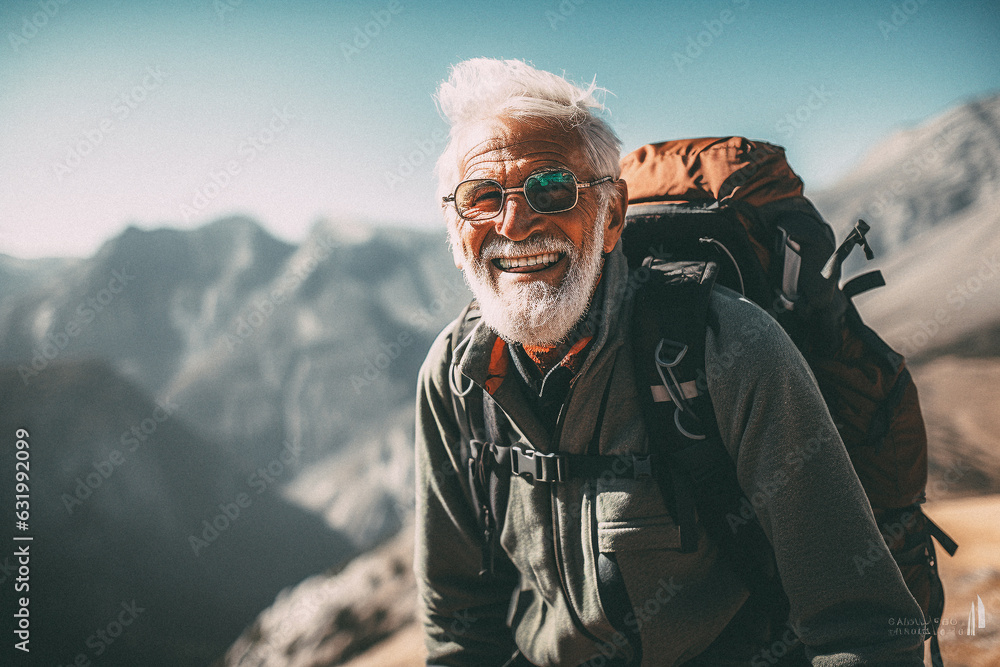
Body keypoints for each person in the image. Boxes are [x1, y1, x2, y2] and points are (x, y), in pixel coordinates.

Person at [414, 58, 926, 667]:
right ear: (452, 224)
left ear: (611, 216)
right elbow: (459, 623)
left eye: (550, 189)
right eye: (481, 197)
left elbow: (862, 627)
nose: (514, 223)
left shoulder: (728, 345)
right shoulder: (454, 374)